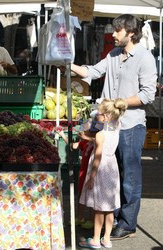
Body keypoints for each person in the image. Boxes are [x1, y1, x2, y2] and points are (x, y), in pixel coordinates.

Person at [71, 14, 157, 240]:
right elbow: (93, 72)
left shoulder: (145, 58)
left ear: (130, 33)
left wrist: (119, 103)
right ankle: (113, 217)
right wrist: (67, 65)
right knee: (113, 174)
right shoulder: (113, 54)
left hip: (130, 125)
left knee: (130, 176)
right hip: (109, 126)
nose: (113, 34)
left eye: (117, 30)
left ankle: (128, 224)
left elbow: (148, 94)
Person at [79, 98, 127, 248]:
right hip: (112, 168)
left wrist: (92, 176)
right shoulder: (117, 125)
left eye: (99, 113)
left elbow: (98, 156)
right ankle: (106, 239)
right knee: (110, 208)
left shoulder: (101, 134)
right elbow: (100, 138)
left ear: (106, 116)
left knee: (99, 208)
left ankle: (95, 239)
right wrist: (88, 137)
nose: (96, 115)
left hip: (101, 170)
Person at [55, 120, 96, 229]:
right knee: (80, 194)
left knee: (92, 196)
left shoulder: (96, 141)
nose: (83, 131)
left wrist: (86, 137)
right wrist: (63, 135)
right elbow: (73, 145)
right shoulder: (84, 142)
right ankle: (80, 217)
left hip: (92, 173)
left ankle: (92, 220)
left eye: (85, 129)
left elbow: (97, 142)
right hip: (83, 172)